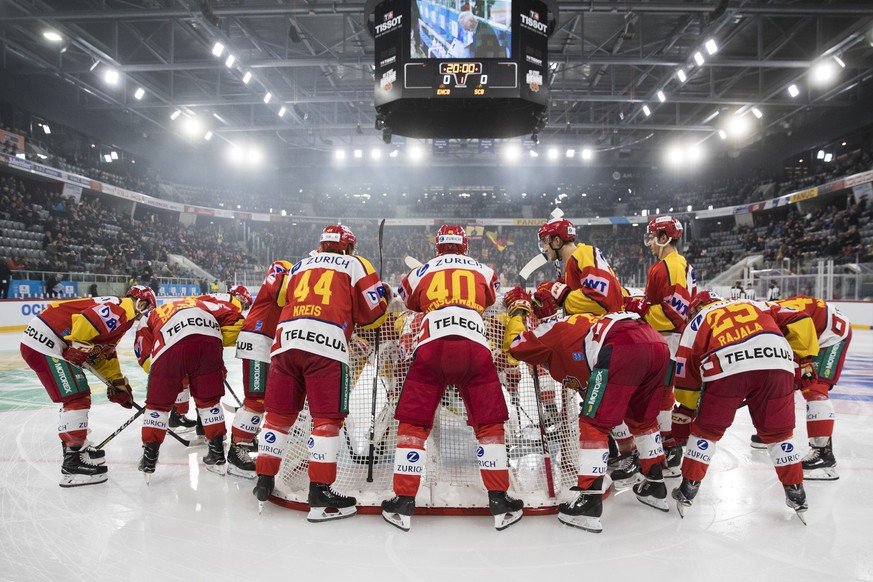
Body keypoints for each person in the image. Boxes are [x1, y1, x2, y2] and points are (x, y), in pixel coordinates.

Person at [380, 225, 523, 532]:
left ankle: (403, 502)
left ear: (438, 245)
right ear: (465, 245)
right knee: (489, 424)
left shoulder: (419, 272)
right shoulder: (485, 269)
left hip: (431, 347)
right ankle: (499, 501)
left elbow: (410, 304)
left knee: (413, 424)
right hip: (475, 347)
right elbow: (487, 301)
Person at [502, 285, 671, 532]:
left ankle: (589, 501)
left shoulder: (549, 330)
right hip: (655, 342)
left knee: (592, 424)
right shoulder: (582, 320)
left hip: (620, 347)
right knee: (643, 421)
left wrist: (517, 312)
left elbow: (515, 346)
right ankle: (655, 485)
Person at [252, 225, 390, 521]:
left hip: (285, 343)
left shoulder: (300, 265)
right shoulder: (355, 264)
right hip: (326, 345)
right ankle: (320, 493)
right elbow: (375, 315)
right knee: (326, 421)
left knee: (277, 417)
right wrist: (384, 296)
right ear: (349, 247)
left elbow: (282, 299)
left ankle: (263, 480)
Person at [670, 291, 818, 523]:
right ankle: (796, 493)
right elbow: (800, 319)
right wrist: (805, 358)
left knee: (706, 432)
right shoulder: (754, 303)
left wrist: (689, 406)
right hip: (776, 361)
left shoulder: (697, 321)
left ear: (697, 308)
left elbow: (685, 369)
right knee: (779, 434)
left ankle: (688, 488)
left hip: (725, 363)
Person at [19, 286, 156, 487]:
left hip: (47, 341)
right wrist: (77, 343)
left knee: (77, 393)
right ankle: (73, 461)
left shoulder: (120, 318)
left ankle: (74, 451)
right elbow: (87, 320)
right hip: (45, 342)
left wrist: (117, 383)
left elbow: (103, 353)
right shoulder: (123, 308)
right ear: (141, 304)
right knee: (76, 395)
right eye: (147, 308)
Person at [134, 293, 246, 482]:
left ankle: (149, 458)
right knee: (209, 402)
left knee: (158, 405)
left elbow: (144, 353)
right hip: (208, 341)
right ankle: (217, 454)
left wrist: (165, 378)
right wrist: (217, 344)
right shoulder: (202, 304)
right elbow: (237, 321)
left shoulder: (150, 315)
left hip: (171, 345)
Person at [624, 215, 697, 477]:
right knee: (664, 391)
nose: (649, 243)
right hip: (675, 339)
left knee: (653, 392)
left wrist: (639, 309)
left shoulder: (667, 266)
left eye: (652, 236)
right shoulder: (680, 264)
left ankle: (660, 447)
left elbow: (671, 313)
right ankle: (667, 444)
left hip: (667, 338)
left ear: (664, 237)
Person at [751, 296, 852, 481]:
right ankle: (772, 431)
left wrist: (803, 365)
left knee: (814, 388)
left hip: (831, 332)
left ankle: (823, 455)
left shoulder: (762, 319)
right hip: (810, 328)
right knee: (779, 377)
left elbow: (802, 327)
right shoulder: (755, 315)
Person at [231, 263, 294, 478]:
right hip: (258, 338)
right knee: (256, 399)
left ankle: (246, 436)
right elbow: (281, 295)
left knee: (266, 397)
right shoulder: (283, 267)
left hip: (269, 340)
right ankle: (238, 449)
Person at [535, 216, 624, 316]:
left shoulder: (584, 253)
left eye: (545, 243)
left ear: (557, 241)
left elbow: (599, 298)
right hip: (604, 326)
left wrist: (561, 294)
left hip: (609, 328)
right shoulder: (573, 262)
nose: (545, 249)